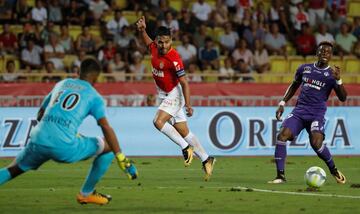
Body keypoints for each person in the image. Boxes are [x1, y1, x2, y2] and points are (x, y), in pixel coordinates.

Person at [0, 58, 138, 205]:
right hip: (63, 146)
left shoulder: (62, 84)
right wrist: (121, 157)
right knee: (109, 147)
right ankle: (86, 193)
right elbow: (105, 127)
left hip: (38, 138)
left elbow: (40, 114)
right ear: (96, 78)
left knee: (14, 169)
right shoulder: (94, 96)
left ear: (78, 72)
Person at [136, 16, 215, 181]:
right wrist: (143, 30)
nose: (162, 45)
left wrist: (188, 104)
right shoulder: (154, 48)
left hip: (174, 94)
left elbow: (185, 83)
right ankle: (207, 158)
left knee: (158, 122)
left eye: (166, 42)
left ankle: (186, 148)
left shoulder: (174, 58)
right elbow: (147, 42)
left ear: (171, 40)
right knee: (184, 131)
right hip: (164, 94)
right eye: (160, 42)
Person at [268, 41, 347, 184]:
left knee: (316, 143)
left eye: (328, 52)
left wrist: (339, 80)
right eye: (322, 51)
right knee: (282, 135)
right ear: (317, 53)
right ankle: (280, 176)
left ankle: (333, 170)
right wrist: (282, 103)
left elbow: (343, 98)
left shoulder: (332, 75)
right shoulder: (304, 68)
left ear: (331, 56)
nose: (324, 53)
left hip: (316, 114)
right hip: (299, 111)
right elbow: (294, 85)